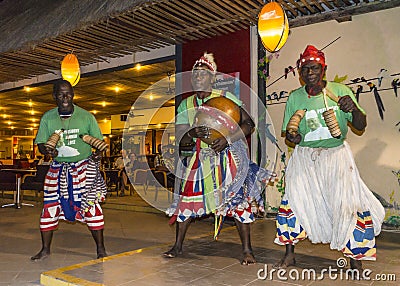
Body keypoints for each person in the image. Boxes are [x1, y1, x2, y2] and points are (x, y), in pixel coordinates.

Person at [274, 45, 385, 271]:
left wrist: (353, 108)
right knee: (292, 201)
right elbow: (289, 135)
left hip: (336, 157)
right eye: (305, 69)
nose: (310, 73)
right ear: (300, 73)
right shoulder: (295, 97)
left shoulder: (340, 91)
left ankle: (355, 258)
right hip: (305, 158)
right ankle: (289, 254)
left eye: (314, 68)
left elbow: (360, 125)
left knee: (349, 205)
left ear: (324, 69)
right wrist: (293, 137)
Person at [164, 53, 274, 264]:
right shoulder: (186, 105)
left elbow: (248, 124)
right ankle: (177, 246)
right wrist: (192, 133)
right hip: (200, 159)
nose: (197, 77)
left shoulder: (226, 98)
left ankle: (247, 250)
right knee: (187, 199)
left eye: (203, 74)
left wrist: (227, 139)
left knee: (237, 201)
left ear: (212, 78)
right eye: (195, 74)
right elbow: (181, 136)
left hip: (227, 157)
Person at [31, 79, 107, 261]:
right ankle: (45, 249)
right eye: (61, 94)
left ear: (73, 94)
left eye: (68, 93)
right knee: (49, 208)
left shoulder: (86, 117)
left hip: (84, 167)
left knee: (91, 207)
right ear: (54, 96)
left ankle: (101, 249)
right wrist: (46, 150)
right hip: (57, 168)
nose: (65, 98)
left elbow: (100, 144)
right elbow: (40, 144)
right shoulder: (48, 118)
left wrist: (98, 155)